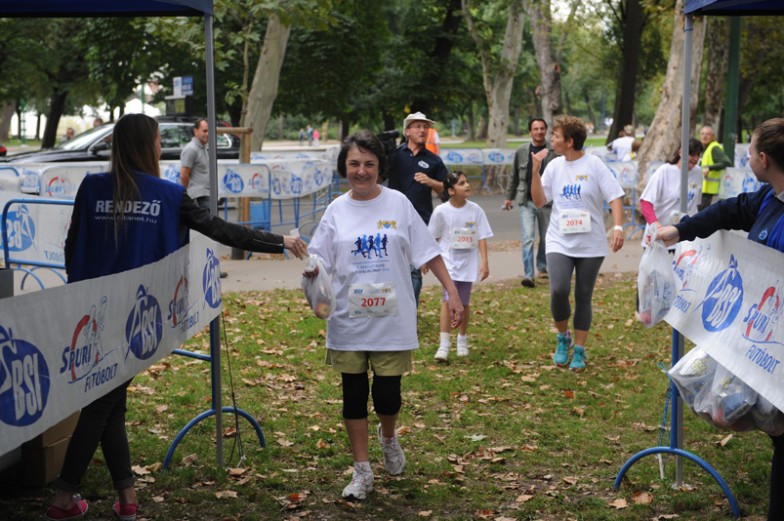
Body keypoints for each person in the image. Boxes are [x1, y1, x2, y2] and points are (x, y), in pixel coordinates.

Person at [43, 113, 307, 521]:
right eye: (156, 140)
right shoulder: (167, 194)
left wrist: (79, 293)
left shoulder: (93, 187)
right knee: (105, 406)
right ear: (148, 146)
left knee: (105, 401)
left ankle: (119, 496)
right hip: (138, 318)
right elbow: (221, 230)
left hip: (92, 312)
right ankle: (84, 498)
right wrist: (281, 241)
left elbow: (71, 245)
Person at [304, 130, 463, 501]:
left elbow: (428, 251)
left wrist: (452, 292)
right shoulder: (336, 210)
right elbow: (318, 260)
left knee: (388, 396)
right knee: (354, 395)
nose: (361, 171)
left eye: (369, 164)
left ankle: (388, 436)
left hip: (392, 319)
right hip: (348, 319)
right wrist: (312, 276)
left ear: (380, 167)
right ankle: (362, 470)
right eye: (354, 164)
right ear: (344, 167)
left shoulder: (398, 204)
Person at [657, 117, 784, 521]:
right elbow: (730, 210)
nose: (748, 158)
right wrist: (679, 230)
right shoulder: (768, 199)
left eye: (750, 152)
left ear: (764, 159)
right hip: (765, 345)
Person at [530, 115, 625, 372]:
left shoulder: (594, 165)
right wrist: (535, 172)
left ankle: (580, 350)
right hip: (559, 240)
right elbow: (539, 201)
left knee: (584, 295)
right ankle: (563, 338)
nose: (551, 139)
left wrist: (617, 227)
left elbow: (615, 196)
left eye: (556, 136)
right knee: (558, 290)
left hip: (590, 243)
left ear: (570, 141)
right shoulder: (554, 166)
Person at [428, 171, 492, 361]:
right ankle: (444, 345)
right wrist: (426, 260)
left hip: (467, 264)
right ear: (451, 190)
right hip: (448, 263)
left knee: (463, 302)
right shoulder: (441, 211)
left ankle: (462, 339)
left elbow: (482, 236)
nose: (467, 185)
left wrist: (485, 261)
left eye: (467, 181)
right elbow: (432, 236)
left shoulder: (476, 210)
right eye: (461, 183)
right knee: (448, 300)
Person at [387, 111, 449, 304]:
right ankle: (393, 309)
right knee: (392, 266)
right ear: (407, 131)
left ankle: (409, 311)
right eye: (417, 126)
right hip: (391, 219)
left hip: (421, 220)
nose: (422, 130)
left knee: (414, 269)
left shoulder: (434, 160)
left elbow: (448, 192)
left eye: (425, 127)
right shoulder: (394, 156)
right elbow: (377, 178)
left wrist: (431, 182)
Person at [503, 118, 557, 287]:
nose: (539, 132)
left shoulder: (554, 151)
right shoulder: (522, 151)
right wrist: (509, 197)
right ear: (530, 132)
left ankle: (542, 267)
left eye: (542, 128)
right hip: (526, 201)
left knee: (546, 237)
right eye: (535, 129)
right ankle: (528, 274)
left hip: (547, 202)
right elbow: (514, 176)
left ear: (546, 130)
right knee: (527, 238)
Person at [639, 138, 704, 238]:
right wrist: (654, 223)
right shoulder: (664, 171)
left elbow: (695, 204)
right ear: (681, 152)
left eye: (698, 155)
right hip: (661, 233)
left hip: (685, 236)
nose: (695, 159)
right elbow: (645, 202)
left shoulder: (698, 172)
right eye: (692, 155)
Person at [698, 125, 732, 210]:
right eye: (702, 134)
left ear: (713, 136)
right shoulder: (705, 148)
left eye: (708, 134)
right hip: (704, 189)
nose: (704, 136)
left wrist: (709, 168)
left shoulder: (714, 148)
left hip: (710, 192)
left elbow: (726, 162)